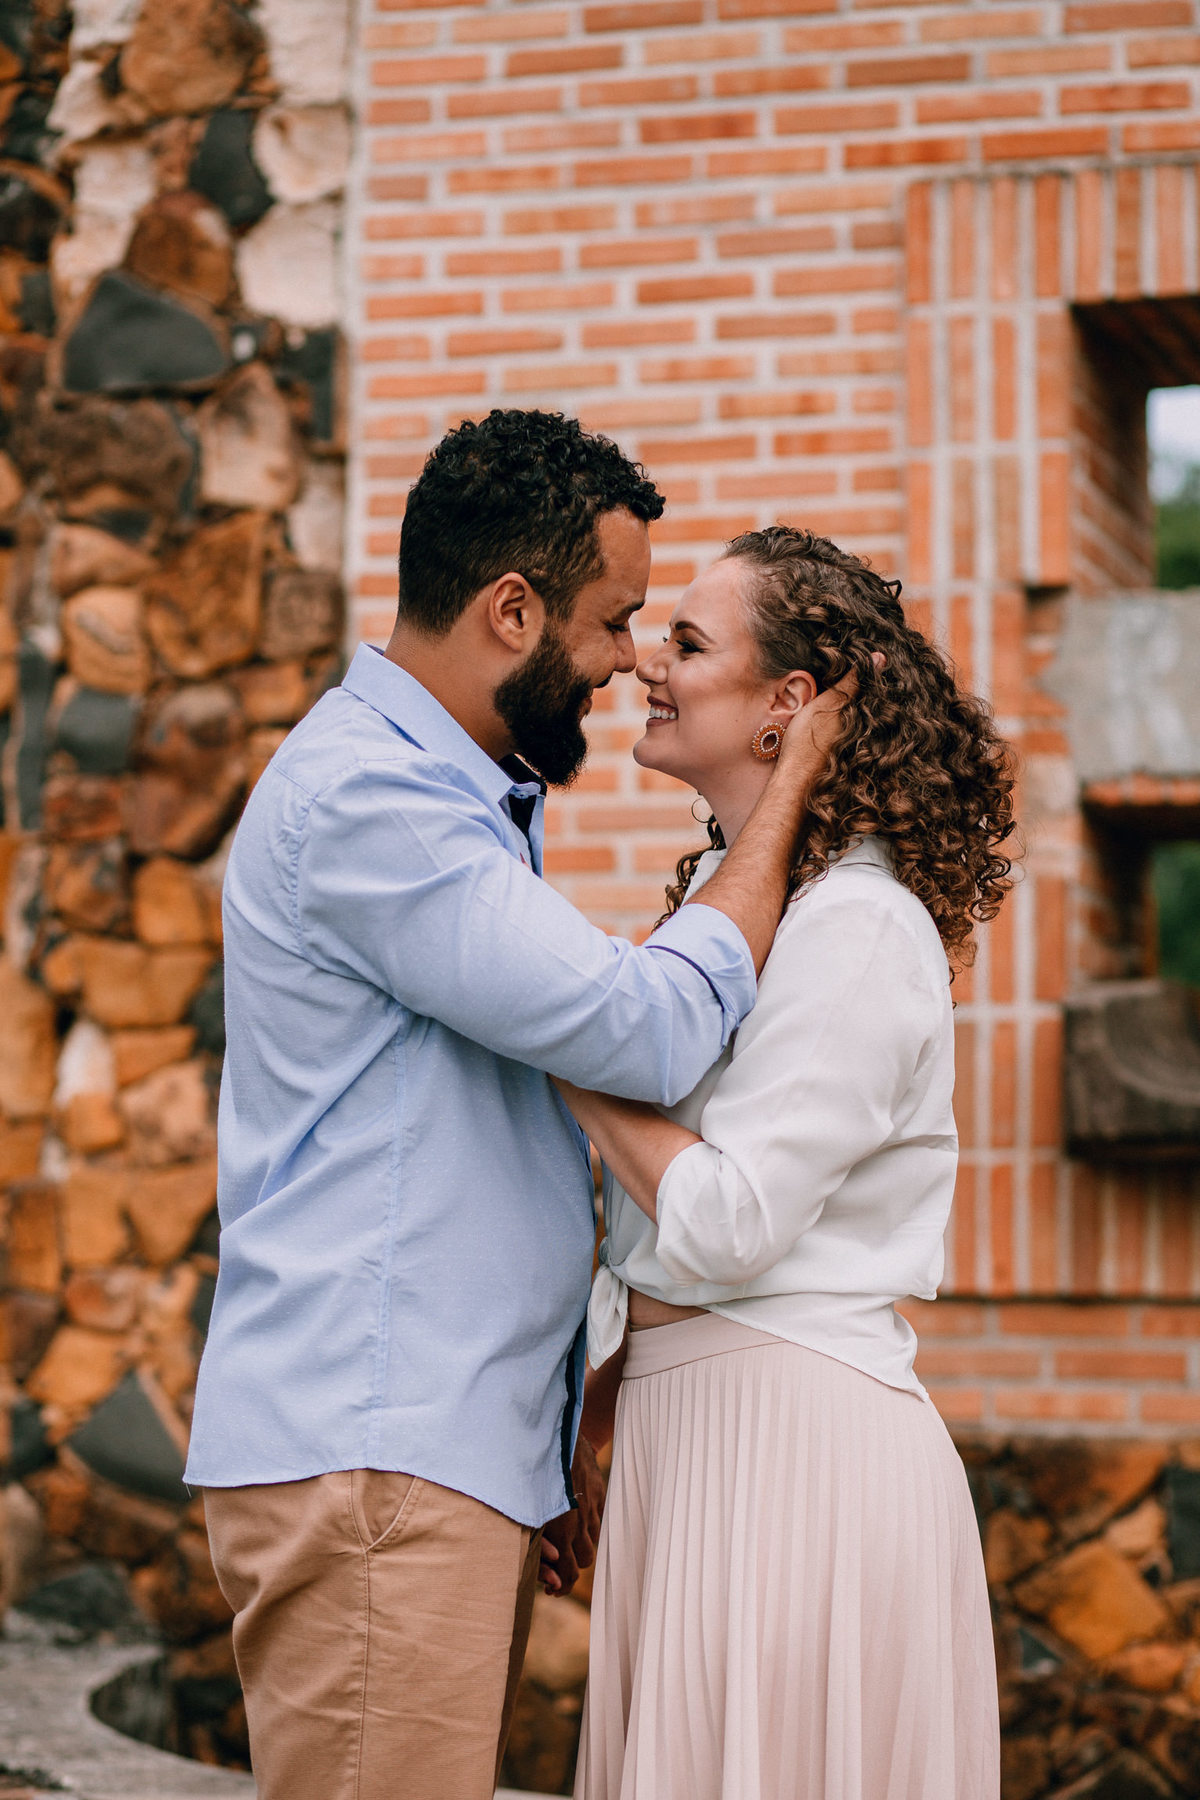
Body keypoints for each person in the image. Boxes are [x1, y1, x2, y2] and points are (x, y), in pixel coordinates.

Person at [184, 414, 847, 1800]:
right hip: (378, 1467)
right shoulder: (380, 802)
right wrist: (783, 804)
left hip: (430, 1456)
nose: (621, 661)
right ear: (510, 610)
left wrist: (551, 1433)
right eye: (612, 623)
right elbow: (645, 1030)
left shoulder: (448, 793)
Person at [556, 527, 1015, 1800]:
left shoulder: (861, 926)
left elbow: (731, 1219)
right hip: (688, 1436)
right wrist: (593, 1418)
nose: (652, 662)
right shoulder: (736, 902)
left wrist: (561, 1043)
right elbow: (653, 1234)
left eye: (690, 643)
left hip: (796, 1452)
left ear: (788, 707)